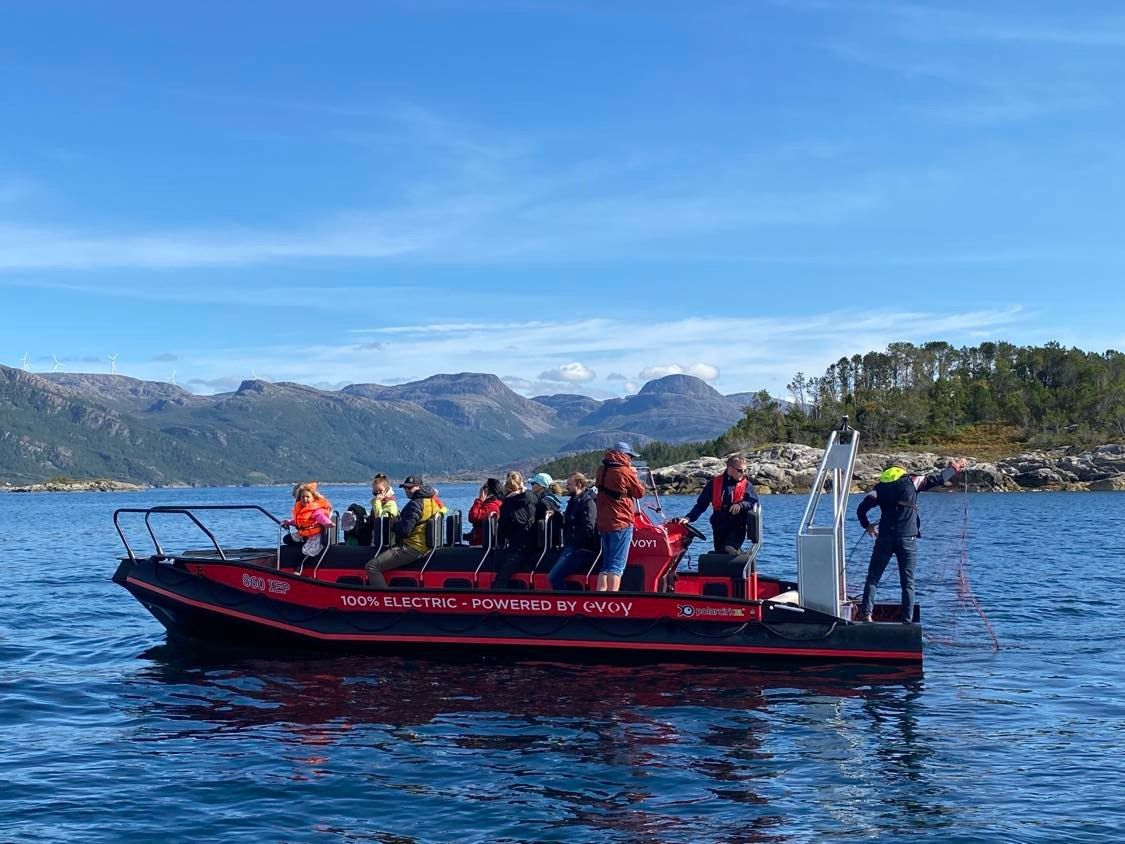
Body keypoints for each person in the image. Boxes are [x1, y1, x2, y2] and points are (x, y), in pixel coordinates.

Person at [856, 458, 967, 623]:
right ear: (902, 470)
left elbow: (861, 510)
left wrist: (868, 526)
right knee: (907, 582)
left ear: (886, 473)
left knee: (873, 578)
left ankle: (866, 614)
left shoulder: (878, 488)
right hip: (907, 538)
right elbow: (940, 478)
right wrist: (955, 467)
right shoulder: (913, 481)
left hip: (884, 538)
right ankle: (907, 621)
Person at [365, 475, 442, 587]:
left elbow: (404, 531)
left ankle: (384, 599)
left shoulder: (415, 504)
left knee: (371, 566)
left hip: (413, 547)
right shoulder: (431, 501)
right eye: (405, 488)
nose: (407, 490)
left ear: (419, 487)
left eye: (410, 488)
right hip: (427, 546)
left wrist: (393, 523)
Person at [672, 455, 759, 553]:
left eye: (744, 471)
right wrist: (688, 518)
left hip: (737, 526)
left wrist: (741, 505)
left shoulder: (746, 485)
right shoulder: (714, 483)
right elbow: (701, 504)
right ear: (730, 468)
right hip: (719, 525)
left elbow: (753, 501)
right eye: (740, 470)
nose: (742, 473)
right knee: (719, 552)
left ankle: (741, 558)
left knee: (727, 550)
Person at [594, 442, 647, 592]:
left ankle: (601, 595)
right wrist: (634, 474)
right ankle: (613, 598)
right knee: (617, 565)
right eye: (629, 456)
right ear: (624, 455)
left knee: (606, 563)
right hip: (620, 521)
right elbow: (639, 493)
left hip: (604, 522)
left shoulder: (601, 470)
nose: (630, 459)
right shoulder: (625, 471)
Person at [548, 472, 600, 590]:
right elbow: (567, 523)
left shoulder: (588, 502)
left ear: (579, 485)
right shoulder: (573, 501)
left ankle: (565, 603)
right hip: (570, 545)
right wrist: (556, 515)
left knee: (554, 576)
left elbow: (589, 527)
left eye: (569, 484)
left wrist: (578, 544)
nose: (566, 487)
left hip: (581, 548)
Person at [492, 471, 537, 589]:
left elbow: (503, 527)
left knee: (502, 577)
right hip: (534, 542)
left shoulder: (507, 505)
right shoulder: (532, 497)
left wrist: (499, 543)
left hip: (518, 545)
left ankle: (497, 601)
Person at [345, 473, 399, 545]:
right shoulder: (380, 502)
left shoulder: (391, 504)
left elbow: (381, 520)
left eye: (380, 491)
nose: (377, 494)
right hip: (376, 537)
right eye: (375, 492)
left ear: (386, 490)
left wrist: (377, 502)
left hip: (386, 540)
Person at [282, 482, 333, 555]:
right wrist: (290, 522)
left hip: (314, 536)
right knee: (286, 539)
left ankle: (303, 561)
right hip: (303, 534)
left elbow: (321, 517)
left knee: (307, 552)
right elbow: (301, 521)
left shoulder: (315, 510)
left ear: (313, 498)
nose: (305, 499)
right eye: (303, 497)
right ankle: (302, 545)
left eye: (307, 497)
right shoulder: (301, 509)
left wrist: (328, 523)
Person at [466, 477, 503, 545]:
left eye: (484, 487)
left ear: (490, 490)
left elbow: (473, 516)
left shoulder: (492, 506)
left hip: (482, 544)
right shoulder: (494, 503)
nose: (481, 489)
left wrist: (479, 500)